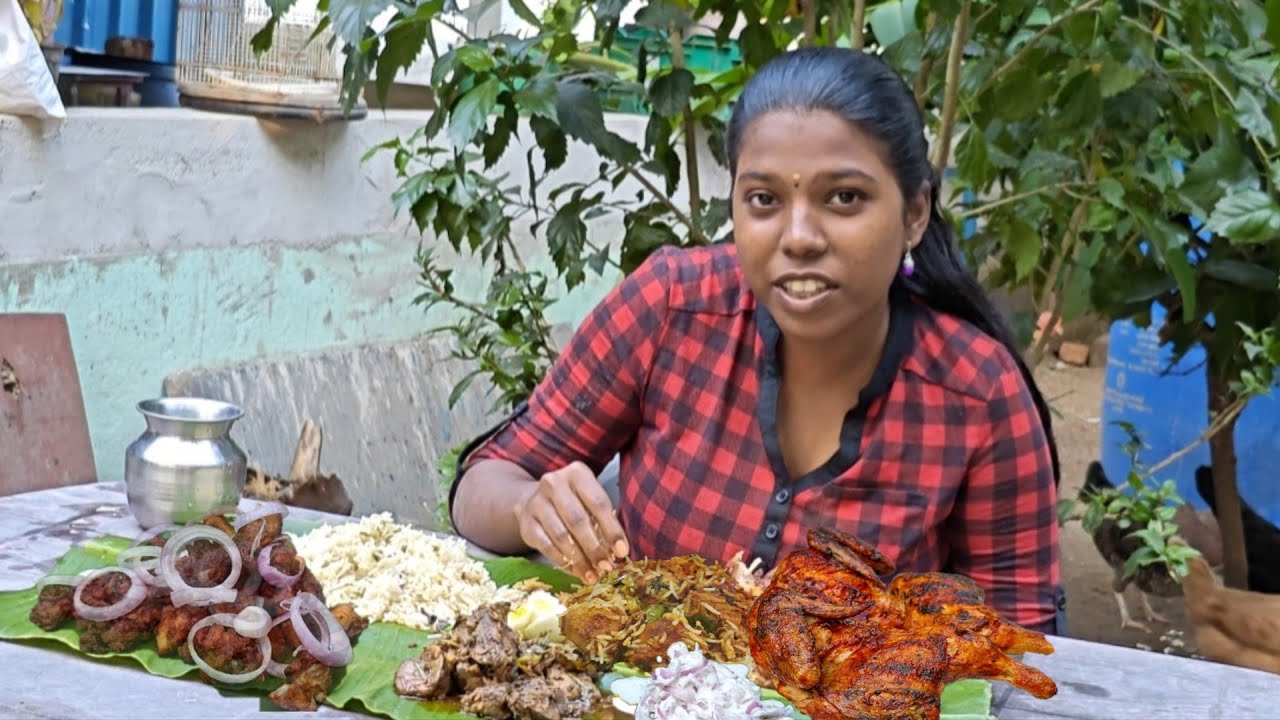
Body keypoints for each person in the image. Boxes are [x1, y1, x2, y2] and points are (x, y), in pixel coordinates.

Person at [449, 46, 1064, 634]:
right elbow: (484, 483)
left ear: (914, 213)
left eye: (844, 198)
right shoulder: (671, 309)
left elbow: (1020, 636)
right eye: (764, 199)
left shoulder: (978, 396)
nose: (798, 237)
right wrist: (530, 507)